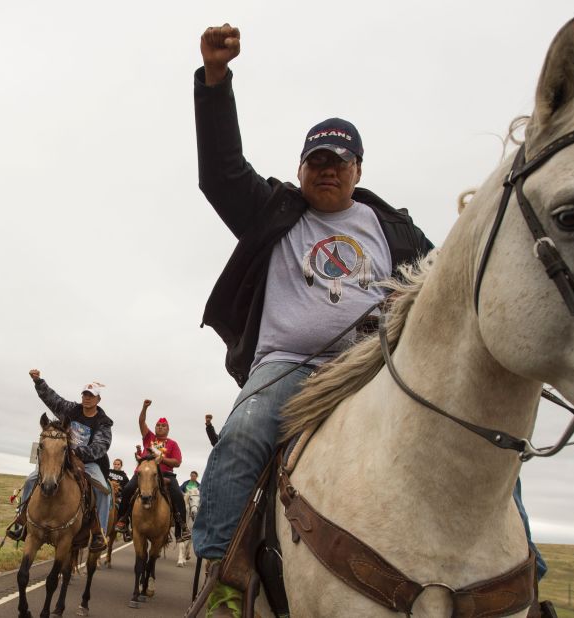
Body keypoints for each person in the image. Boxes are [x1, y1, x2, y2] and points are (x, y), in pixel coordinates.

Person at [191, 23, 436, 614]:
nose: (327, 170)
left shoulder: (395, 229)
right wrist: (216, 79)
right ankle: (223, 578)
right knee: (244, 432)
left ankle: (520, 569)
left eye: (339, 161)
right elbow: (221, 171)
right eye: (316, 160)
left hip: (377, 370)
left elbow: (443, 289)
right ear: (301, 168)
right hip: (288, 367)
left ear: (358, 169)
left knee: (468, 425)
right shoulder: (274, 210)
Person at [6, 370, 114, 552]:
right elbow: (52, 398)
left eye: (91, 396)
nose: (87, 398)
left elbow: (101, 446)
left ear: (98, 399)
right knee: (31, 479)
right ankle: (21, 521)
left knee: (104, 490)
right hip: (60, 457)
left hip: (88, 462)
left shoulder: (103, 422)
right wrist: (38, 381)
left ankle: (99, 534)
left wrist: (77, 451)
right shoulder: (71, 409)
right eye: (85, 395)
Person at [114, 400, 191, 542]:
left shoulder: (173, 444)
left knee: (178, 496)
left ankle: (182, 528)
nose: (160, 427)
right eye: (158, 425)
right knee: (128, 489)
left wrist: (161, 459)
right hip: (143, 473)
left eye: (163, 426)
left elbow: (177, 462)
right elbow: (141, 422)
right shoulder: (149, 437)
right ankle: (123, 520)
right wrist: (144, 408)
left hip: (165, 475)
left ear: (168, 429)